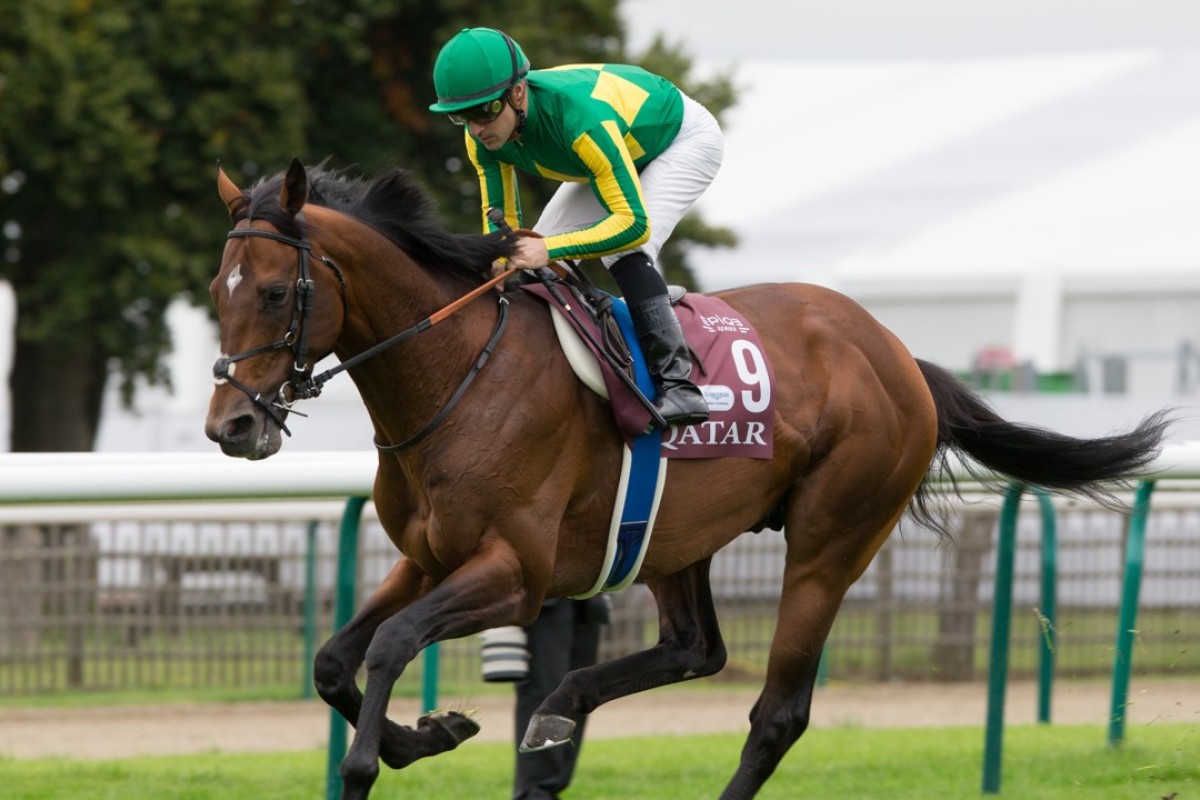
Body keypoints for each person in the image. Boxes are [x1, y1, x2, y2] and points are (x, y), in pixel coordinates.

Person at [429, 27, 724, 427]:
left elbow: (633, 224)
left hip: (679, 140)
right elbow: (501, 218)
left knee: (620, 248)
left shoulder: (580, 119)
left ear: (517, 93)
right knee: (530, 257)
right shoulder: (479, 138)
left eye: (483, 112)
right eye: (461, 117)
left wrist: (550, 249)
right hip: (618, 146)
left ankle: (679, 386)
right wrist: (498, 257)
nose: (477, 128)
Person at [509, 597, 609, 800]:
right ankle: (534, 792)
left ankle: (550, 788)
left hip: (588, 595)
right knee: (546, 693)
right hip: (545, 598)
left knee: (579, 695)